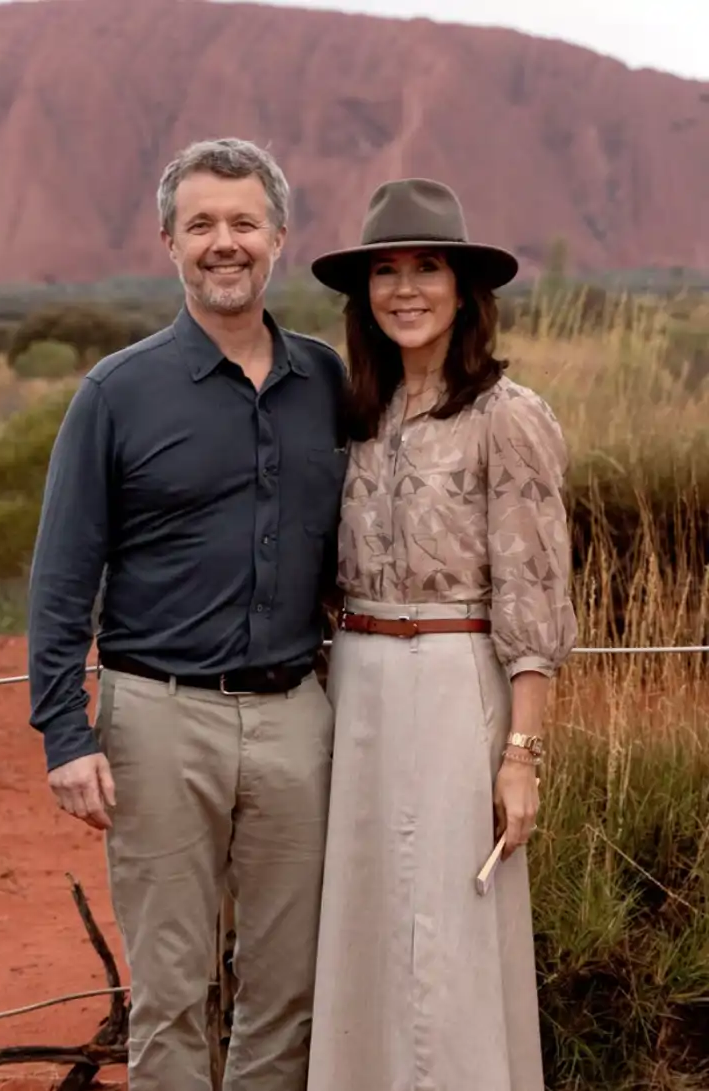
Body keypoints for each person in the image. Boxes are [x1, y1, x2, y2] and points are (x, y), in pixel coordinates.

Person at [26, 137, 348, 1091]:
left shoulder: (327, 383)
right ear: (168, 241)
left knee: (287, 987)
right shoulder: (117, 392)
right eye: (201, 224)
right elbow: (62, 574)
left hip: (297, 718)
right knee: (171, 990)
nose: (224, 242)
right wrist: (64, 732)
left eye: (244, 222)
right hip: (159, 718)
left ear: (279, 236)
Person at [306, 178, 578, 1091]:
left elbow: (534, 595)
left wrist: (521, 755)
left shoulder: (508, 415)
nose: (406, 289)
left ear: (464, 291)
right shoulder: (356, 413)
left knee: (451, 922)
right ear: (364, 295)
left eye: (427, 267)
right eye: (386, 271)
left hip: (458, 678)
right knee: (365, 916)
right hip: (356, 682)